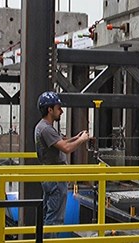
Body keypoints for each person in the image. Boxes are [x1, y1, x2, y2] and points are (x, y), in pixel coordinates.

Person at [34, 91, 90, 237]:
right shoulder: (46, 128)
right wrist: (82, 140)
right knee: (54, 220)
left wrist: (75, 137)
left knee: (49, 215)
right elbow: (66, 148)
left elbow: (60, 143)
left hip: (50, 176)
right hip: (55, 178)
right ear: (49, 109)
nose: (62, 111)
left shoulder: (43, 127)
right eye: (58, 108)